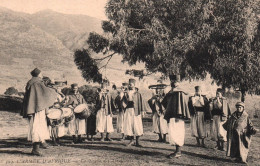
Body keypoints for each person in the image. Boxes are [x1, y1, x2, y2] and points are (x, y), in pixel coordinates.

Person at [21, 68, 57, 156]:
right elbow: (47, 92)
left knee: (35, 127)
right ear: (38, 74)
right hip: (38, 108)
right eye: (41, 73)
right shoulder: (38, 83)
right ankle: (35, 149)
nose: (42, 75)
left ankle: (37, 147)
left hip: (33, 108)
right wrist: (55, 90)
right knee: (37, 127)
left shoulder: (31, 82)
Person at [162, 76, 190, 158]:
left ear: (178, 82)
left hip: (178, 115)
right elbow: (165, 101)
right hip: (172, 115)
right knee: (173, 132)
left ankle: (178, 152)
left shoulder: (180, 92)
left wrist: (179, 114)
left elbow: (181, 104)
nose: (173, 82)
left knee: (178, 132)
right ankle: (177, 151)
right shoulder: (171, 91)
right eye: (172, 81)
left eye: (175, 81)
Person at [123, 79, 145, 147]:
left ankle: (138, 142)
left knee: (137, 125)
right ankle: (131, 141)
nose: (130, 85)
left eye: (131, 84)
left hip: (136, 111)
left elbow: (141, 103)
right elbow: (123, 102)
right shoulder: (126, 92)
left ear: (134, 85)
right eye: (129, 84)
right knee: (129, 125)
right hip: (128, 110)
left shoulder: (138, 93)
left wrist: (142, 111)